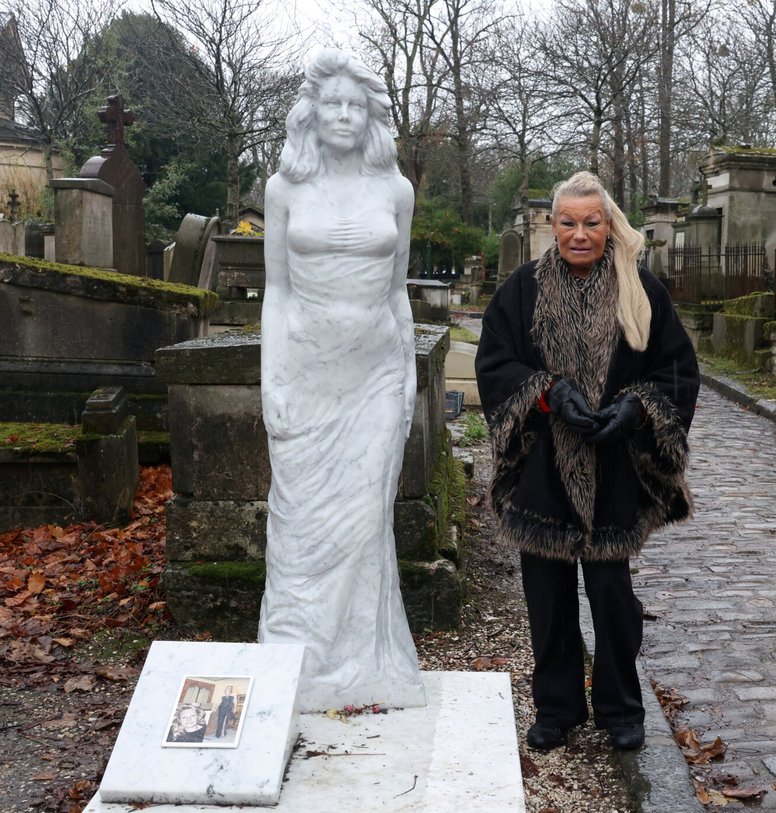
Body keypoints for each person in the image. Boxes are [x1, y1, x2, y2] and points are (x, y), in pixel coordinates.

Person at [475, 171, 699, 752]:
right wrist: (548, 393)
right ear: (553, 226)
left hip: (615, 467)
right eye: (568, 222)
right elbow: (495, 364)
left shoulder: (641, 290)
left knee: (612, 596)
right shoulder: (521, 290)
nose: (580, 234)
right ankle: (557, 708)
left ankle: (621, 708)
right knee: (547, 599)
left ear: (608, 226)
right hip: (542, 468)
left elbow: (676, 368)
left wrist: (637, 408)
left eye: (591, 223)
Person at [257, 48, 425, 712]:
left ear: (371, 115)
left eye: (357, 105)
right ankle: (300, 660)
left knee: (365, 520)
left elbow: (399, 290)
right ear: (313, 111)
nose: (345, 115)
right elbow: (275, 292)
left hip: (377, 373)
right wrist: (270, 380)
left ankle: (368, 662)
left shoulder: (396, 191)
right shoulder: (284, 189)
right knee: (300, 523)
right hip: (306, 373)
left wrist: (408, 373)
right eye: (334, 103)